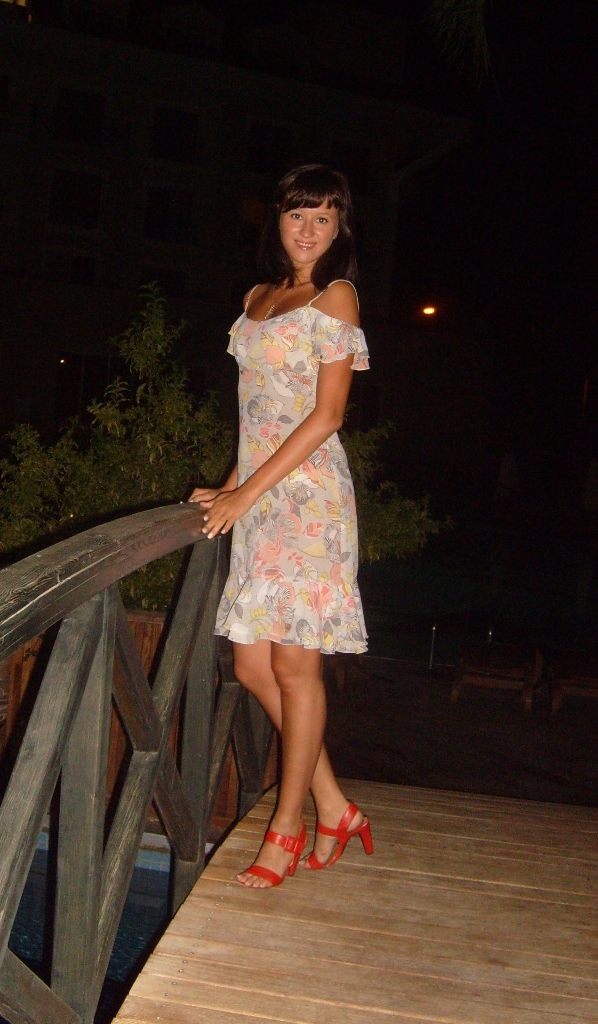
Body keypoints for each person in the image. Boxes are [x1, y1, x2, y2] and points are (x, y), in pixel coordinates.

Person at [190, 164, 373, 888]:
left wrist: (245, 494)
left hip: (309, 503)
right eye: (298, 214)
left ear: (339, 228)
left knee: (297, 669)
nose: (308, 229)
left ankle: (287, 827)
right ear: (277, 219)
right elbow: (259, 413)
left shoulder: (337, 297)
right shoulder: (257, 299)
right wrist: (231, 484)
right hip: (259, 498)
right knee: (250, 666)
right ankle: (335, 805)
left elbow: (326, 415)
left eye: (324, 217)